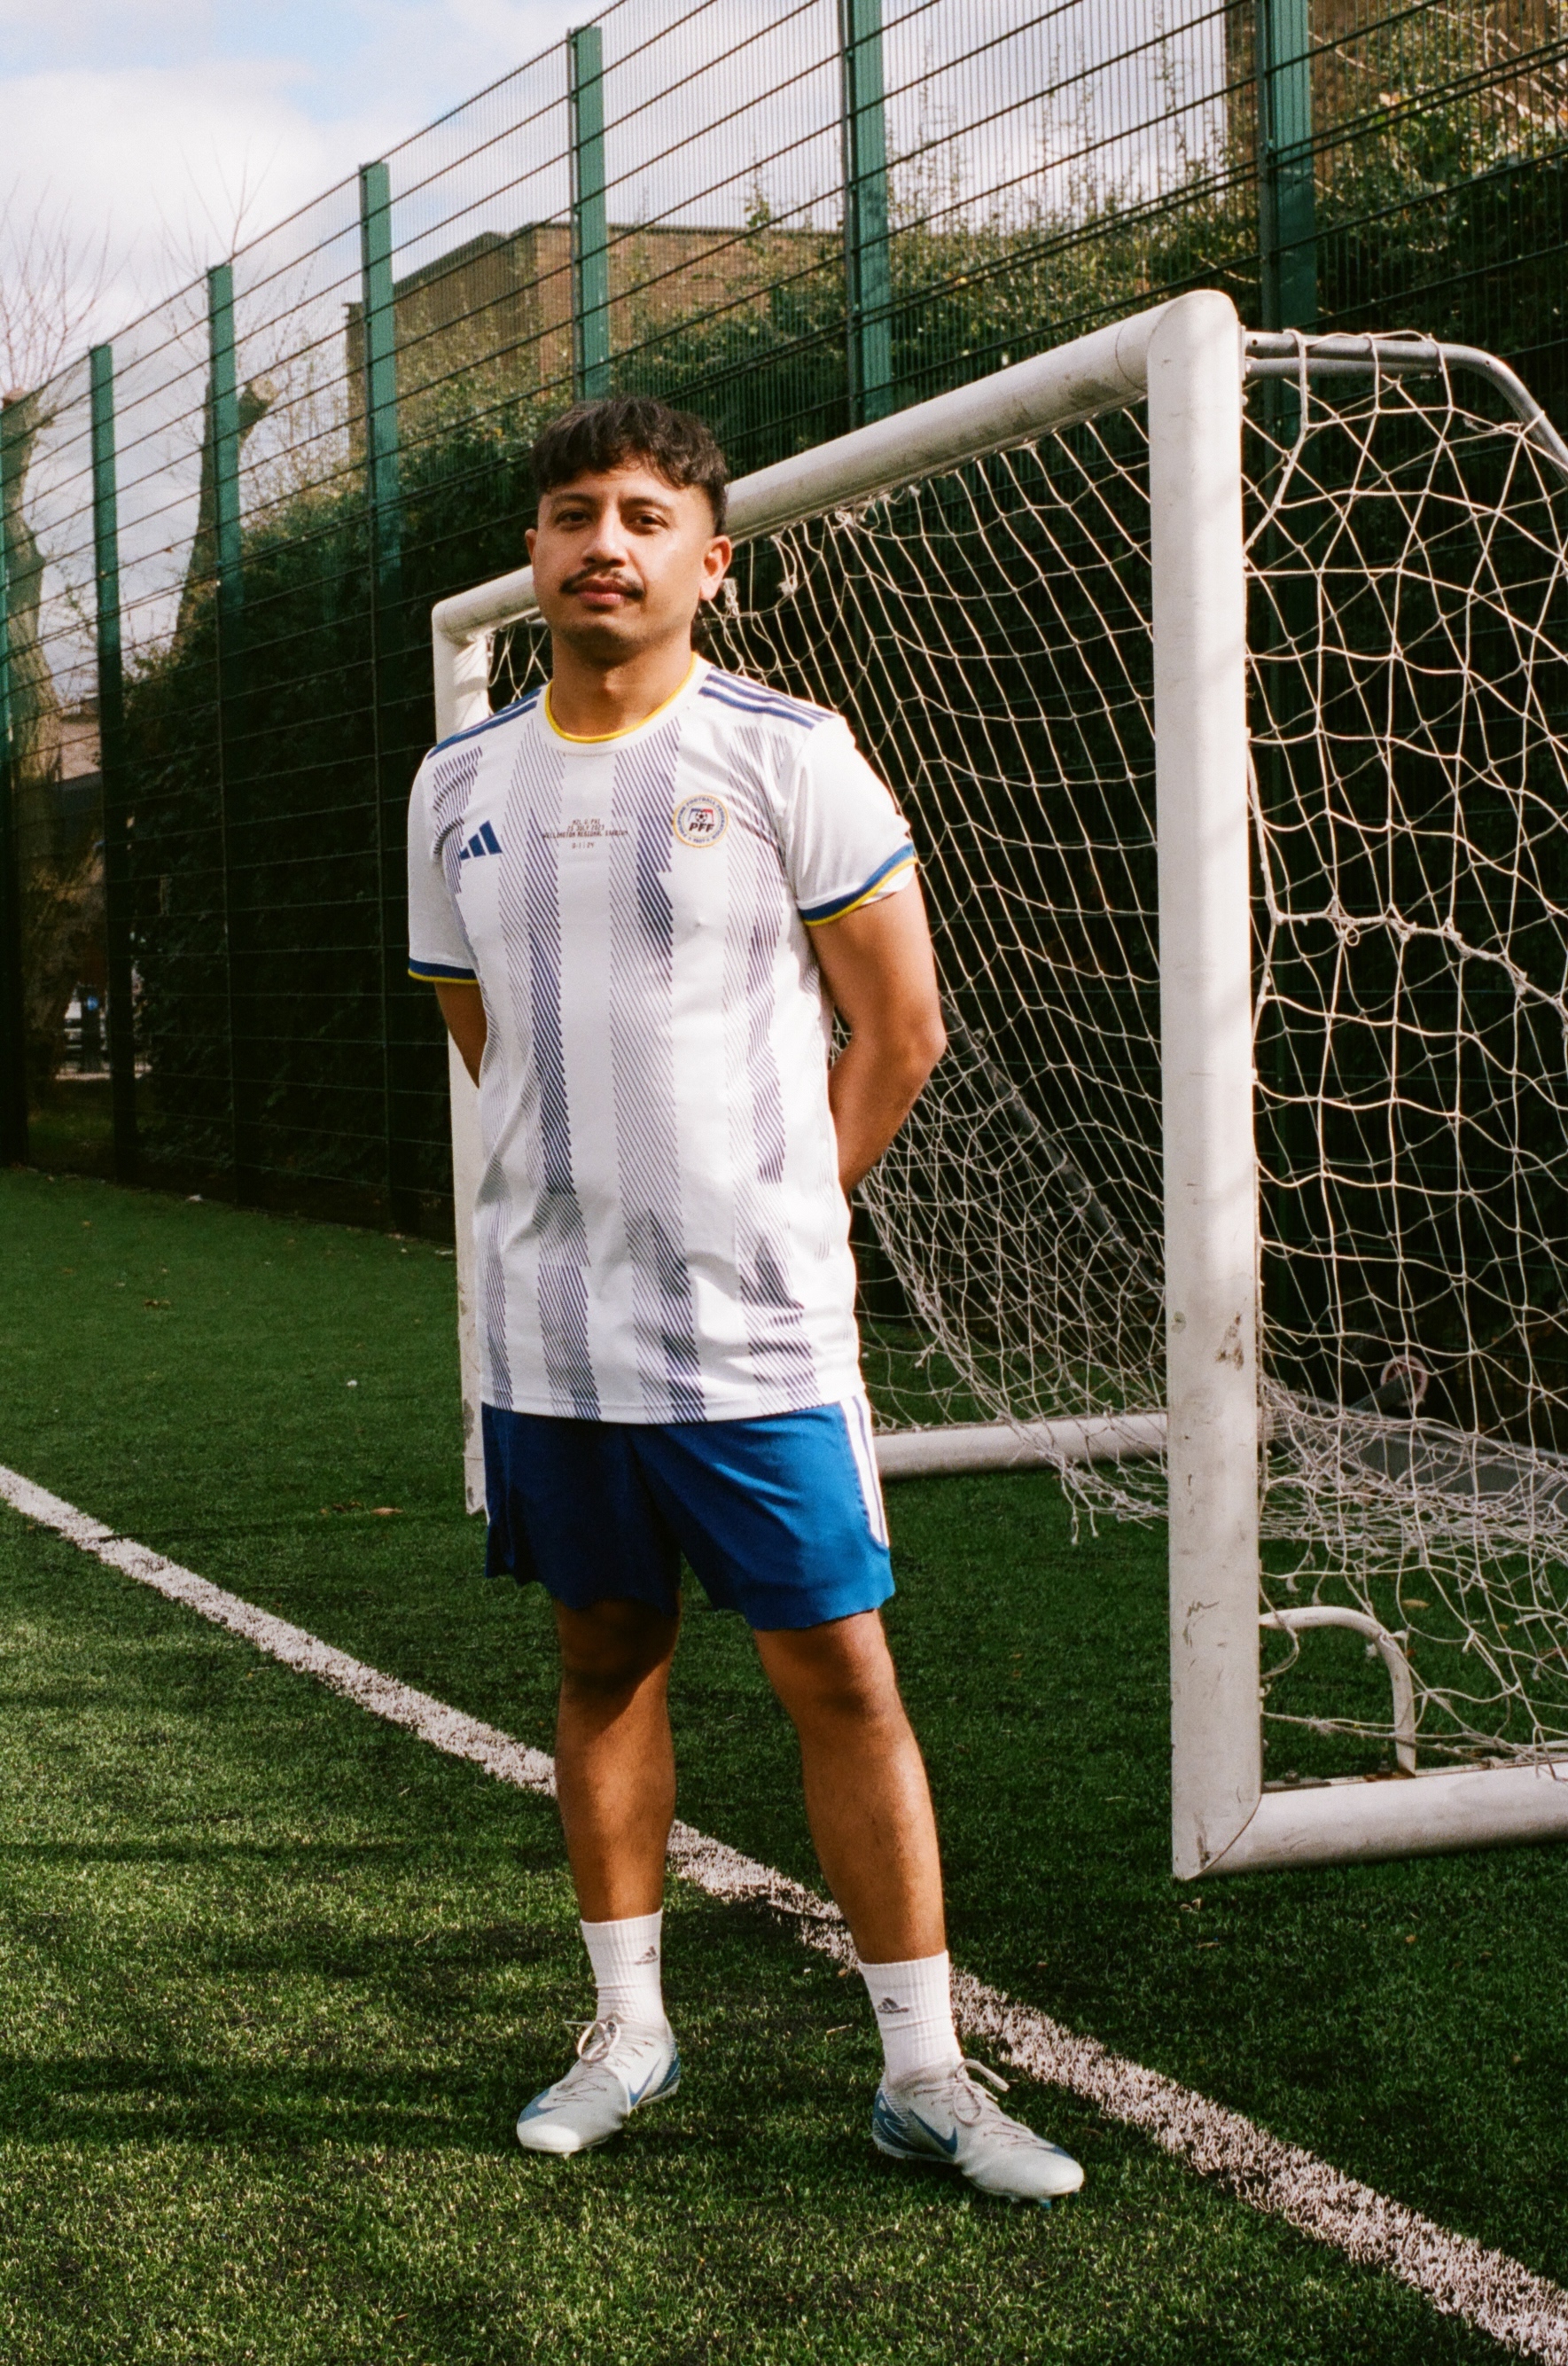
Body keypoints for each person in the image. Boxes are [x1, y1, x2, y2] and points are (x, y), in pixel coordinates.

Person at [407, 394, 1083, 2206]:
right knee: (601, 1657)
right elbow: (484, 1041)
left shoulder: (790, 752)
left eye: (643, 517)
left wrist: (775, 1211)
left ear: (710, 561)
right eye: (572, 514)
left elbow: (901, 1028)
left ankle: (922, 2073)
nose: (602, 545)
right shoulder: (455, 786)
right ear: (533, 553)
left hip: (755, 1331)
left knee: (839, 1672)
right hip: (549, 1331)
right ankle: (627, 2030)